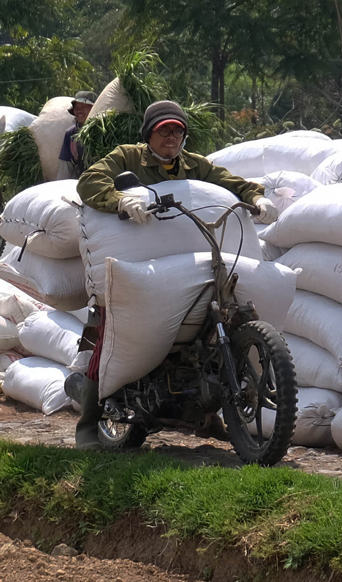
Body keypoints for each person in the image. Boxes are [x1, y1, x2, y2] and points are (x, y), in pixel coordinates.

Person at [68, 100, 281, 450]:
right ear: (148, 134)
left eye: (177, 130)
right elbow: (90, 181)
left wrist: (257, 199)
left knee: (211, 328)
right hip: (139, 264)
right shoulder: (127, 156)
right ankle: (88, 427)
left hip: (184, 263)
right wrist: (120, 200)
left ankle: (209, 411)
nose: (171, 137)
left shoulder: (194, 165)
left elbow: (230, 182)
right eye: (163, 130)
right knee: (111, 341)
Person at [56, 91, 96, 179]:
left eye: (83, 107)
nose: (79, 110)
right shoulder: (71, 134)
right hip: (80, 181)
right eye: (76, 107)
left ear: (93, 109)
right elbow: (65, 167)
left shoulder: (103, 132)